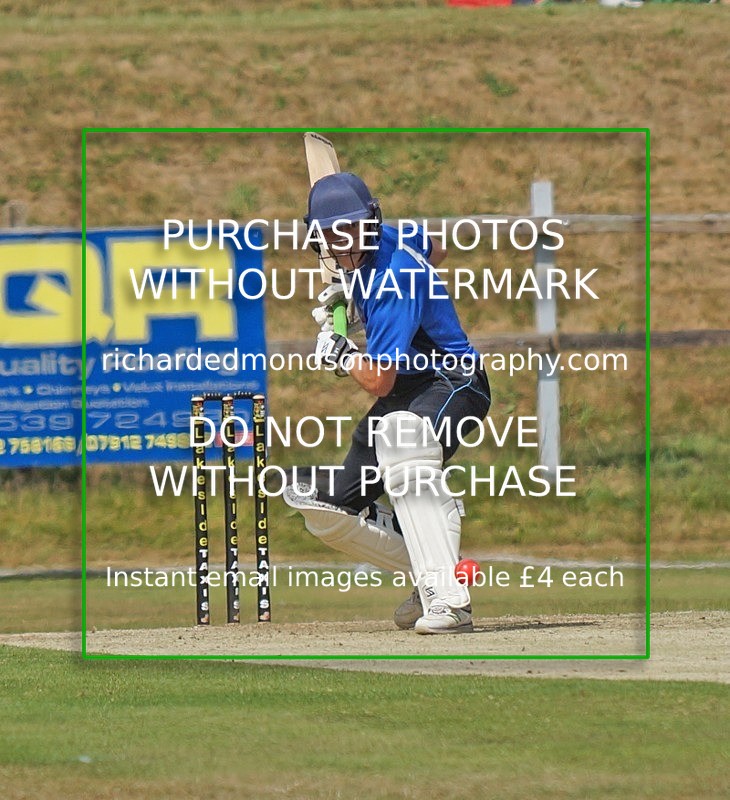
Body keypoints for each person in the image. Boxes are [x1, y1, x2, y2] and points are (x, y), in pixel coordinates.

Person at [283, 172, 491, 634]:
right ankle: (433, 572)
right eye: (332, 234)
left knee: (403, 439)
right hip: (407, 389)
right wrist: (356, 302)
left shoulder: (394, 278)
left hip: (452, 383)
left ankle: (450, 602)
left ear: (371, 222)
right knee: (327, 510)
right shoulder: (394, 241)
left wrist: (343, 350)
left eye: (351, 229)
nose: (343, 242)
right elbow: (437, 247)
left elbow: (378, 380)